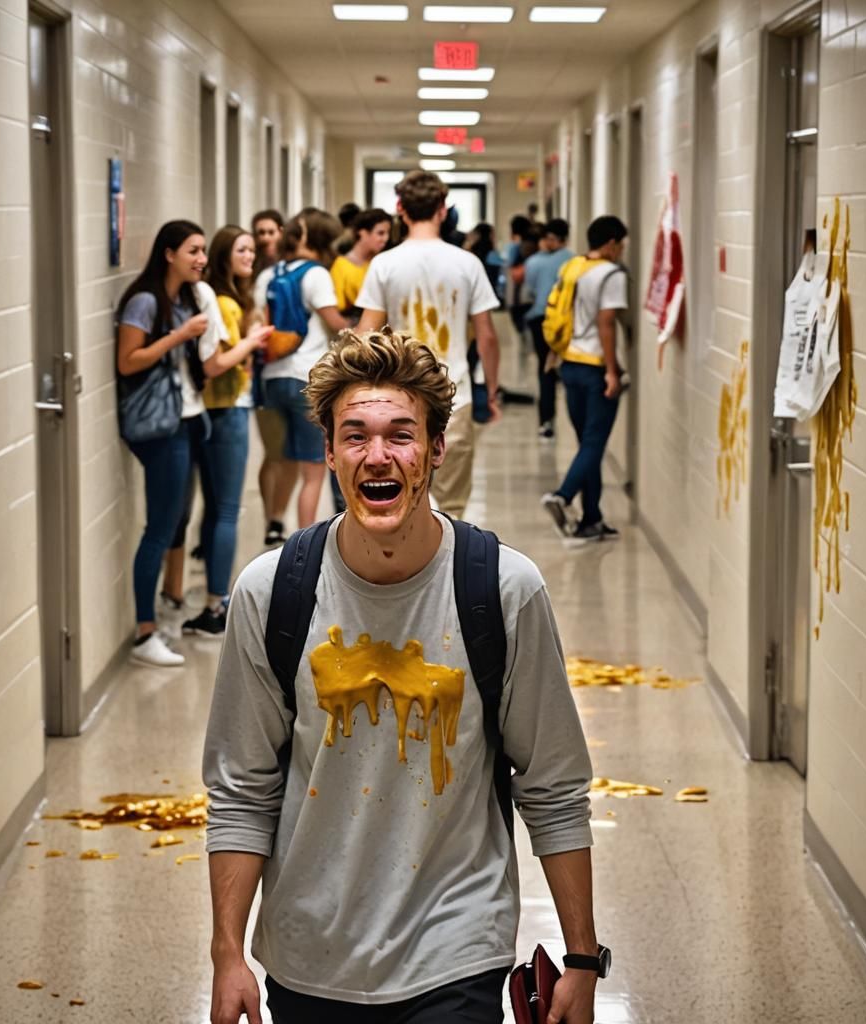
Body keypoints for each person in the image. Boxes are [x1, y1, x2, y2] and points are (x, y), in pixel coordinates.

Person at [204, 328, 599, 1024]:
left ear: (436, 450)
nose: (377, 455)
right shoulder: (272, 593)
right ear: (326, 452)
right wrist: (228, 953)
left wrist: (583, 958)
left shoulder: (504, 591)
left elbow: (554, 785)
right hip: (309, 952)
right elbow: (242, 788)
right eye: (354, 435)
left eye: (400, 434)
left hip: (456, 946)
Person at [116, 220, 244, 666]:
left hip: (189, 419)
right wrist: (179, 335)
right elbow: (128, 361)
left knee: (174, 524)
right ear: (168, 253)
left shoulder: (188, 297)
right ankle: (144, 634)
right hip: (161, 429)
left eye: (204, 251)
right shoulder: (145, 300)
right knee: (160, 529)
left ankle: (161, 617)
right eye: (193, 250)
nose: (202, 259)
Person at [356, 170, 501, 519]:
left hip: (399, 396)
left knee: (403, 495)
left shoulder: (384, 264)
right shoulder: (467, 263)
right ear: (442, 208)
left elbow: (364, 335)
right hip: (456, 395)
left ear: (399, 209)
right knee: (450, 505)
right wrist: (491, 391)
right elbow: (487, 337)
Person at [175, 225, 274, 637]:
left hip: (219, 410)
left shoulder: (228, 298)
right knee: (227, 509)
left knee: (218, 507)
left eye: (253, 249)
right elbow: (216, 362)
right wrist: (251, 342)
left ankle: (216, 597)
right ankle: (217, 604)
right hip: (225, 409)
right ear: (223, 256)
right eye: (242, 250)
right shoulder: (223, 303)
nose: (250, 256)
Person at [255, 208, 348, 529]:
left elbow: (258, 322)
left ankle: (273, 522)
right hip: (306, 378)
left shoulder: (267, 275)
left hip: (271, 379)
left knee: (281, 458)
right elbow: (334, 323)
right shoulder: (316, 274)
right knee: (313, 471)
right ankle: (306, 539)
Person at [540, 215, 628, 544]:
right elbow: (606, 323)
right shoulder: (610, 274)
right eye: (620, 245)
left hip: (569, 364)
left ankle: (592, 518)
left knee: (586, 444)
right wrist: (611, 370)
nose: (621, 251)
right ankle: (562, 497)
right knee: (594, 442)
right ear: (610, 243)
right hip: (594, 367)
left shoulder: (573, 267)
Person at [251, 209, 298, 546]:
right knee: (274, 452)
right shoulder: (254, 275)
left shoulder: (288, 273)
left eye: (271, 231)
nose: (266, 238)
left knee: (289, 453)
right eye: (260, 233)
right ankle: (271, 517)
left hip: (287, 366)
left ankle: (278, 518)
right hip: (263, 372)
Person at [524, 217, 574, 440]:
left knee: (545, 370)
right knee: (562, 369)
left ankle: (546, 420)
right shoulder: (573, 261)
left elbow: (531, 289)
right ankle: (566, 419)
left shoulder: (533, 262)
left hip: (539, 320)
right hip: (564, 322)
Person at [330, 208, 393, 320]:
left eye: (388, 233)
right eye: (380, 233)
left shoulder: (383, 263)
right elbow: (337, 307)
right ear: (363, 233)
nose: (385, 239)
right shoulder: (342, 265)